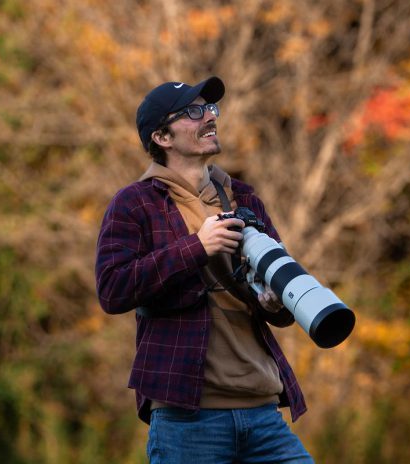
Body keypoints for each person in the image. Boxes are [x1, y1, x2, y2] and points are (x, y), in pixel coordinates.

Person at [95, 76, 313, 463]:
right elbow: (113, 289)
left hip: (263, 410)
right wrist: (197, 247)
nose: (210, 117)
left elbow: (275, 302)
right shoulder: (134, 203)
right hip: (187, 418)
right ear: (162, 137)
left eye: (211, 109)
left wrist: (273, 301)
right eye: (194, 112)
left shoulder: (243, 197)